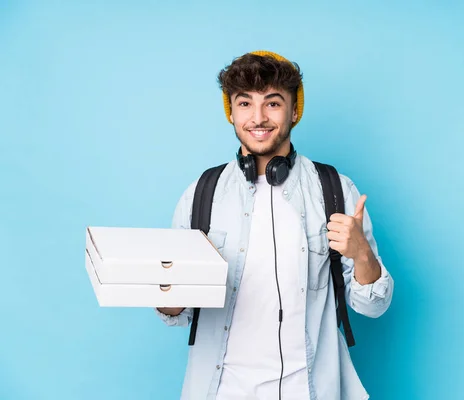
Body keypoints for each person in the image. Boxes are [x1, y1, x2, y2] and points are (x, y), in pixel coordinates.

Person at [156, 50, 394, 400]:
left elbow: (373, 306)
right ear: (231, 113)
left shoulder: (334, 190)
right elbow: (175, 314)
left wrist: (361, 256)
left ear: (294, 110)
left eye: (272, 103)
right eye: (244, 104)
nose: (258, 118)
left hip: (310, 389)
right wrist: (167, 292)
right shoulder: (201, 194)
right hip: (222, 391)